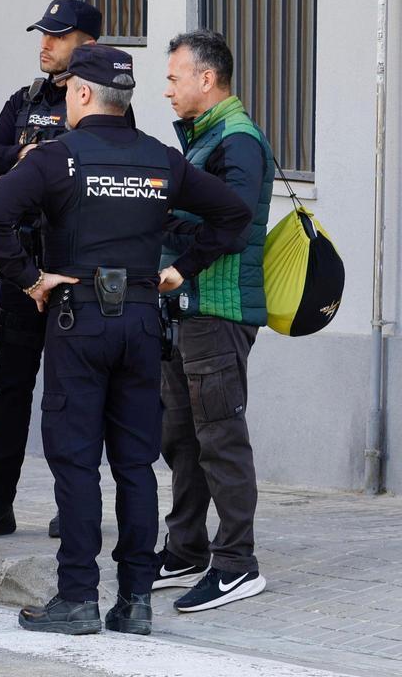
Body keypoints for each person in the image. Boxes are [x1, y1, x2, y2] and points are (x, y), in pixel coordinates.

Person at [0, 45, 252, 636]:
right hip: (143, 324)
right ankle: (134, 600)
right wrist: (182, 270)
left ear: (79, 94)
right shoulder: (160, 159)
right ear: (125, 99)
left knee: (75, 463)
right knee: (135, 464)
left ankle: (76, 598)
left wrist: (30, 278)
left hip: (78, 321)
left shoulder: (56, 158)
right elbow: (231, 215)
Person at [0, 0, 127, 542]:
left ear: (89, 45)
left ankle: (72, 501)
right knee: (10, 389)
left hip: (74, 269)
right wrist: (23, 154)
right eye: (44, 34)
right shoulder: (26, 99)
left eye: (57, 36)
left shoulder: (106, 103)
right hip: (21, 265)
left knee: (75, 394)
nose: (45, 44)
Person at [155, 30, 273, 612]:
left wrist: (180, 266)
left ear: (207, 79)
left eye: (175, 77)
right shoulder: (204, 138)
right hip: (188, 310)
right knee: (181, 436)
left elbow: (231, 222)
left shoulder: (238, 140)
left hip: (219, 310)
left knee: (221, 437)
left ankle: (236, 563)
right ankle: (186, 550)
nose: (167, 89)